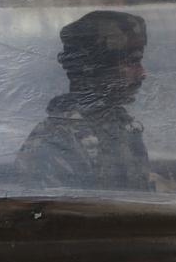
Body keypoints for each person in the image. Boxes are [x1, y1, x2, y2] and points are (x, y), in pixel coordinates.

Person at [16, 10, 153, 191]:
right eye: (132, 61)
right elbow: (60, 214)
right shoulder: (57, 142)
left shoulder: (120, 127)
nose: (142, 73)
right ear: (98, 67)